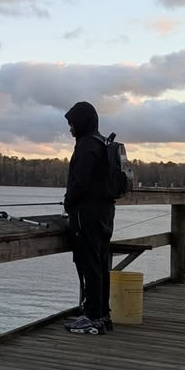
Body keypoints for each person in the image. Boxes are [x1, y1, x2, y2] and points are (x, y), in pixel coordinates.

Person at [62, 101, 116, 334]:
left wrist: (68, 202)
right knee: (101, 263)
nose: (70, 128)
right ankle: (102, 314)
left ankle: (92, 315)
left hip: (88, 215)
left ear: (82, 122)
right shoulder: (101, 142)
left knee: (89, 263)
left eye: (72, 123)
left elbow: (81, 182)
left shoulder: (86, 146)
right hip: (105, 213)